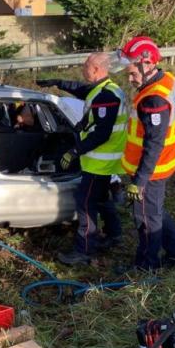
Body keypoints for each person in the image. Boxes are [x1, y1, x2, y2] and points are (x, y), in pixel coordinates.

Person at [36, 52, 128, 265]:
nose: (82, 69)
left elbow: (101, 134)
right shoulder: (104, 89)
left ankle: (84, 250)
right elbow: (81, 89)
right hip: (102, 160)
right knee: (102, 199)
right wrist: (57, 83)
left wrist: (75, 151)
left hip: (100, 161)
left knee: (85, 204)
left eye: (85, 65)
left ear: (96, 69)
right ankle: (114, 236)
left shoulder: (107, 97)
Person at [119, 37, 175, 271]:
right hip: (163, 163)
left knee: (146, 220)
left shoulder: (153, 99)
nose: (130, 80)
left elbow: (154, 143)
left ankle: (146, 267)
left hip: (151, 170)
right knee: (154, 212)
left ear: (147, 64)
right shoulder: (168, 79)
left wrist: (139, 181)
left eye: (132, 74)